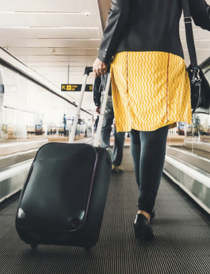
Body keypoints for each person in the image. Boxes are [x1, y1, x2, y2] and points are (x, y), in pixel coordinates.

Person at [93, 0, 210, 240]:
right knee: (155, 133)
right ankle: (144, 209)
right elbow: (201, 14)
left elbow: (120, 9)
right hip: (163, 57)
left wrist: (104, 54)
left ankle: (145, 202)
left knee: (136, 130)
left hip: (128, 60)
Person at [93, 73, 125, 172]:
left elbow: (97, 84)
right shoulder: (124, 60)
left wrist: (97, 102)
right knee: (120, 129)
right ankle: (116, 163)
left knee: (105, 128)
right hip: (122, 97)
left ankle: (105, 158)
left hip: (106, 96)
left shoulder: (103, 62)